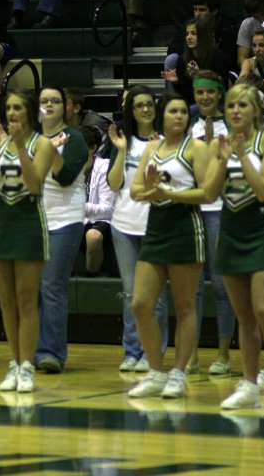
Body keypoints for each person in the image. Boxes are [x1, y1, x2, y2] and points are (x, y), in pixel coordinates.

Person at [205, 83, 264, 410]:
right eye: (231, 106)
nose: (236, 111)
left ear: (255, 110)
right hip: (230, 233)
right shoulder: (218, 145)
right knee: (245, 317)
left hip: (263, 232)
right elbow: (210, 194)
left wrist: (242, 157)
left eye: (243, 105)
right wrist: (225, 159)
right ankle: (250, 383)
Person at [127, 93, 208, 398]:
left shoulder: (196, 149)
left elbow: (205, 193)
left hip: (186, 226)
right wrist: (150, 189)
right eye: (173, 111)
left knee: (185, 306)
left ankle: (178, 373)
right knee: (140, 303)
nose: (179, 116)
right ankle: (156, 371)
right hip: (156, 227)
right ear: (162, 116)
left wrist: (169, 193)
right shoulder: (152, 148)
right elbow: (135, 190)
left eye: (183, 112)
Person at [0, 90, 56, 393]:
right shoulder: (1, 144)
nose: (11, 113)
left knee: (26, 302)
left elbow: (35, 185)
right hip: (2, 225)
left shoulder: (44, 144)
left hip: (29, 224)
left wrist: (21, 147)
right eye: (8, 108)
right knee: (6, 303)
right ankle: (14, 361)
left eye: (18, 108)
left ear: (30, 112)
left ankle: (27, 366)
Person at [107, 86, 168, 372]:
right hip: (123, 225)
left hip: (156, 227)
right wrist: (121, 152)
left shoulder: (166, 142)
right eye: (139, 105)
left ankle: (153, 352)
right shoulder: (123, 142)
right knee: (131, 295)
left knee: (155, 296)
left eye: (149, 104)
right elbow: (114, 184)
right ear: (131, 111)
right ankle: (132, 351)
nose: (145, 109)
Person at [33, 85, 89, 374]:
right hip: (34, 220)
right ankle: (35, 348)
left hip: (65, 219)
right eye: (45, 101)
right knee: (34, 289)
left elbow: (66, 177)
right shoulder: (30, 139)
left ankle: (51, 353)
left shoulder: (75, 139)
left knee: (52, 286)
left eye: (56, 100)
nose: (50, 105)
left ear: (65, 107)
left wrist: (51, 150)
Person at [189, 71, 235, 375]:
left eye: (210, 92)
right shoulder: (189, 124)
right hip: (193, 211)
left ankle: (223, 355)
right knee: (191, 289)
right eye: (199, 92)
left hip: (220, 209)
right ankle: (190, 356)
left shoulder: (231, 125)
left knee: (221, 286)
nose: (204, 97)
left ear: (220, 94)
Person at [164, 15, 229, 100]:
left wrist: (199, 76)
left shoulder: (219, 58)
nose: (189, 37)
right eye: (187, 34)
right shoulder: (182, 60)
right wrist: (178, 82)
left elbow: (221, 91)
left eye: (194, 33)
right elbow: (186, 96)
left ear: (204, 36)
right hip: (192, 103)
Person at [81, 125, 114, 277]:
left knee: (93, 237)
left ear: (93, 148)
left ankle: (90, 277)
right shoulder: (68, 166)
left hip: (101, 221)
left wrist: (79, 207)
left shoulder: (104, 167)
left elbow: (108, 210)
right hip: (73, 219)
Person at [192, 0, 240, 72]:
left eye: (202, 10)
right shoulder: (191, 25)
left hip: (222, 69)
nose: (197, 14)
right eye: (195, 10)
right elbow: (174, 48)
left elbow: (227, 59)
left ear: (214, 11)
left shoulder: (228, 28)